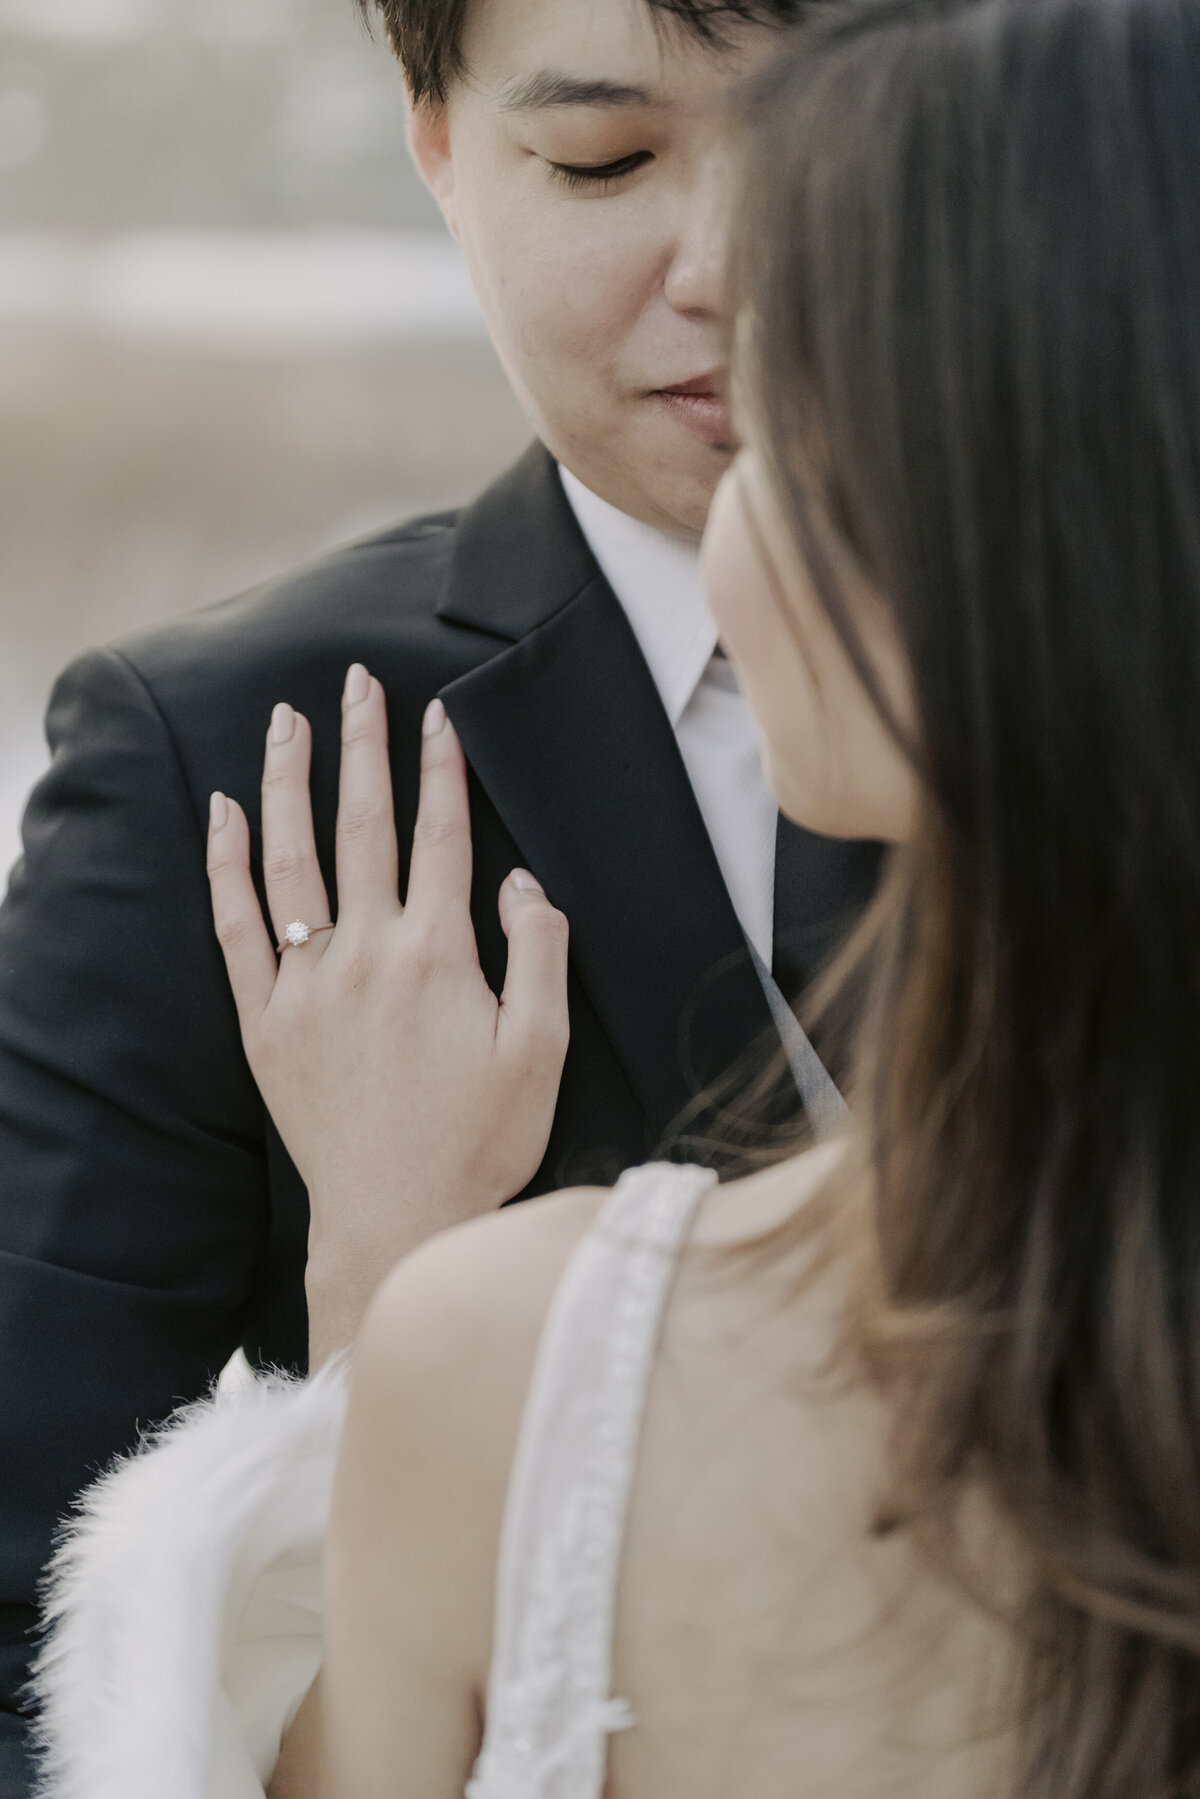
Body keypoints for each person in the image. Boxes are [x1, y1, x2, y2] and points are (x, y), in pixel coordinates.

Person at [31, 0, 1200, 1791]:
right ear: (438, 145)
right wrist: (381, 1298)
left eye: (844, 149)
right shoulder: (212, 758)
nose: (731, 273)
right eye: (603, 161)